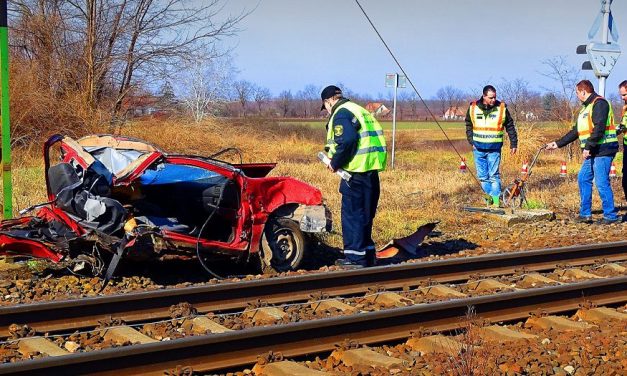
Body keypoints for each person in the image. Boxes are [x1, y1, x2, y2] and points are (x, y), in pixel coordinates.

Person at [321, 85, 387, 268]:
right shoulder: (359, 110)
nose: (326, 110)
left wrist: (335, 162)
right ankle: (367, 255)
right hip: (371, 170)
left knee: (352, 215)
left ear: (328, 101)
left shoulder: (341, 113)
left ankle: (354, 259)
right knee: (366, 214)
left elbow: (347, 140)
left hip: (355, 173)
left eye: (325, 106)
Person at [546, 79, 619, 224]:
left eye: (577, 93)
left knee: (601, 182)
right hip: (593, 150)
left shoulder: (600, 103)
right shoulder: (585, 109)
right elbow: (576, 131)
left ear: (583, 91)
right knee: (583, 178)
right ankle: (585, 214)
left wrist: (588, 147)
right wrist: (558, 144)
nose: (577, 95)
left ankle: (610, 216)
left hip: (603, 149)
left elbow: (599, 128)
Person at [465, 85, 517, 207]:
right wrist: (471, 141)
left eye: (494, 97)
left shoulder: (502, 108)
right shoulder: (473, 108)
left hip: (494, 149)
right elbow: (468, 124)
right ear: (484, 96)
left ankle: (496, 202)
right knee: (483, 177)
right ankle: (488, 200)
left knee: (493, 175)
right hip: (478, 148)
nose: (493, 100)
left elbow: (510, 126)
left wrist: (513, 143)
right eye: (490, 98)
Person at [618, 80, 627, 201]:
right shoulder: (625, 108)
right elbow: (623, 125)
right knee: (625, 182)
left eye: (624, 95)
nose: (622, 97)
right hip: (626, 146)